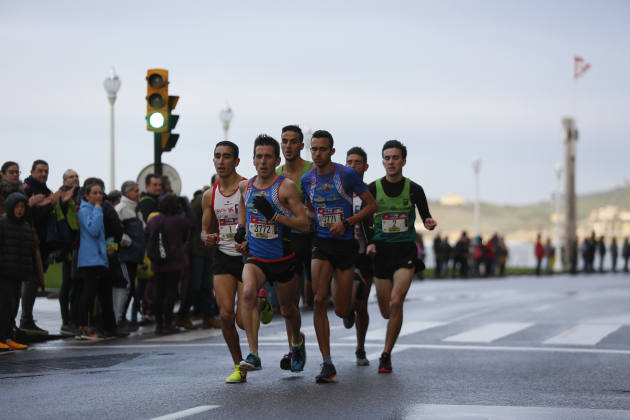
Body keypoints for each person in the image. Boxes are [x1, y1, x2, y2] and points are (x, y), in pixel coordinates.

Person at [302, 130, 377, 383]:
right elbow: (311, 208)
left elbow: (371, 206)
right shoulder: (307, 179)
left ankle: (351, 304)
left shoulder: (347, 174)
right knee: (320, 298)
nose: (318, 153)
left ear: (332, 152)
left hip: (345, 246)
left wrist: (346, 223)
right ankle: (326, 362)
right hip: (321, 244)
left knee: (342, 309)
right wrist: (313, 218)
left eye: (323, 149)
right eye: (314, 149)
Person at [236, 134, 310, 379]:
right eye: (259, 156)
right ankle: (254, 355)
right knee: (247, 292)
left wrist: (275, 217)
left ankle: (297, 342)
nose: (263, 161)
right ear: (253, 159)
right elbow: (243, 210)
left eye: (268, 156)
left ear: (277, 159)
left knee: (289, 310)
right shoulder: (245, 186)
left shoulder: (286, 186)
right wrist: (241, 232)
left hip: (282, 257)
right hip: (255, 257)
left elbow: (304, 224)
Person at [366, 139, 437, 373]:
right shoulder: (373, 188)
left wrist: (428, 221)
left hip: (405, 250)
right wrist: (369, 242)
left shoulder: (414, 189)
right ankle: (388, 339)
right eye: (387, 158)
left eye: (395, 157)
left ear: (403, 161)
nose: (391, 162)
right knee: (386, 310)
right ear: (382, 161)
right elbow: (364, 219)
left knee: (397, 302)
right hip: (381, 252)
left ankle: (386, 354)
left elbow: (426, 215)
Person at [201, 141, 249, 383]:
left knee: (243, 320)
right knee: (226, 315)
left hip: (246, 257)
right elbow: (204, 230)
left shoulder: (248, 187)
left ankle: (259, 301)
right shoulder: (210, 195)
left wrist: (248, 239)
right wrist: (206, 237)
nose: (221, 161)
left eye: (227, 156)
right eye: (217, 156)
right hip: (222, 256)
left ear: (236, 161)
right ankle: (238, 366)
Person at [276, 125, 316, 370]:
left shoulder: (312, 170)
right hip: (287, 240)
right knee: (288, 305)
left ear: (302, 146)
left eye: (293, 142)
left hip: (313, 239)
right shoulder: (277, 173)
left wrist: (310, 213)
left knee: (316, 300)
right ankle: (295, 347)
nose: (288, 146)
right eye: (284, 141)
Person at [144, 193, 196, 334]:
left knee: (158, 293)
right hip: (174, 263)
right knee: (170, 293)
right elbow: (192, 222)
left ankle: (159, 323)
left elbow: (147, 236)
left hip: (157, 262)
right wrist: (186, 205)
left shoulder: (153, 220)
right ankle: (168, 323)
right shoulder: (177, 221)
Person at [21, 159, 59, 335]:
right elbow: (33, 215)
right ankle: (25, 320)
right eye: (40, 171)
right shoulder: (27, 190)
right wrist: (50, 204)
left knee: (34, 282)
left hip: (42, 244)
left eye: (46, 171)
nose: (44, 174)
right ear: (32, 171)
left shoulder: (45, 191)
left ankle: (27, 319)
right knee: (31, 281)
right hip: (30, 243)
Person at [345, 146, 375, 366]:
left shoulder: (371, 192)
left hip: (365, 253)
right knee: (347, 301)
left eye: (357, 163)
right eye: (349, 162)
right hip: (342, 251)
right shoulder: (337, 190)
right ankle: (346, 310)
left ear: (365, 167)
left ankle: (360, 348)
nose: (352, 166)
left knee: (362, 305)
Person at [0, 193, 40, 350]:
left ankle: (8, 336)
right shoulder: (2, 224)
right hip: (4, 274)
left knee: (13, 306)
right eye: (17, 207)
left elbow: (28, 252)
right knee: (3, 306)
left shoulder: (25, 226)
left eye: (23, 207)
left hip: (18, 273)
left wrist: (28, 271)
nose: (20, 210)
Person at [179, 184, 220, 330]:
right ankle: (183, 316)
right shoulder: (202, 198)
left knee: (206, 286)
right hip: (196, 249)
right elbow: (188, 219)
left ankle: (208, 317)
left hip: (209, 249)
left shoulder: (222, 198)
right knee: (194, 285)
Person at [76, 183, 112, 340]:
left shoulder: (93, 210)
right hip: (89, 259)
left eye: (100, 193)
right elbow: (93, 229)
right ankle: (84, 326)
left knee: (100, 294)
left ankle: (98, 325)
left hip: (98, 258)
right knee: (88, 295)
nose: (99, 196)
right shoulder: (85, 211)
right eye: (95, 193)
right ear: (87, 195)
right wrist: (98, 209)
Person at [115, 181, 145, 330]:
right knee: (125, 286)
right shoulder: (121, 209)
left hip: (133, 256)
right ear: (126, 193)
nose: (138, 193)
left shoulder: (135, 210)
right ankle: (118, 319)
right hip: (125, 256)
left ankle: (122, 319)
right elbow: (115, 231)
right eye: (135, 191)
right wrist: (127, 242)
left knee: (130, 287)